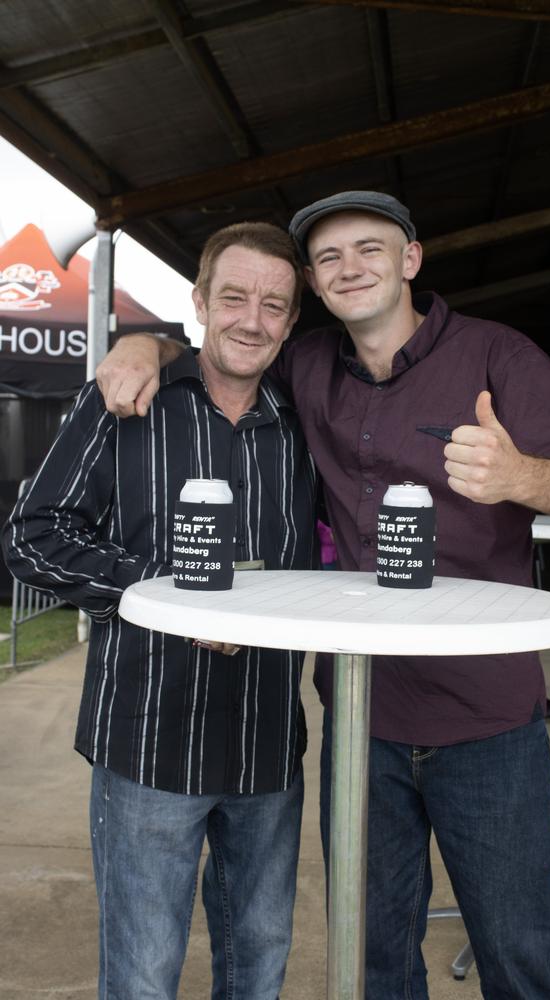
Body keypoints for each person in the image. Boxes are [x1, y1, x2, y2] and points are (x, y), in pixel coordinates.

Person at [94, 191, 550, 1000]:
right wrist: (142, 343)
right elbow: (229, 339)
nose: (352, 267)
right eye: (331, 257)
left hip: (486, 724)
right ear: (316, 282)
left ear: (411, 259)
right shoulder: (305, 366)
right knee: (373, 959)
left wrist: (523, 476)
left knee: (517, 953)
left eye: (371, 248)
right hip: (361, 721)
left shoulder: (497, 356)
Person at [2, 222, 318, 1000]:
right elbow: (32, 536)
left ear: (291, 321)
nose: (253, 319)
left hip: (267, 744)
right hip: (148, 740)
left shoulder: (306, 424)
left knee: (260, 956)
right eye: (235, 297)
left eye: (274, 305)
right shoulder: (123, 399)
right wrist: (168, 596)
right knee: (144, 972)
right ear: (199, 303)